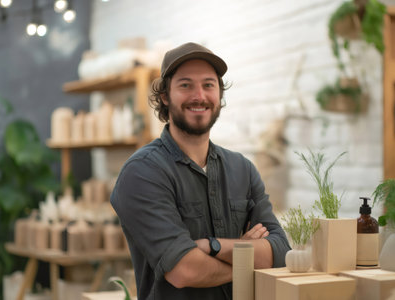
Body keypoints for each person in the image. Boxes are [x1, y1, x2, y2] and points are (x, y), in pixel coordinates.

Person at [110, 42, 291, 300]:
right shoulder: (142, 172)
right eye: (185, 85)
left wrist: (211, 246)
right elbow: (184, 270)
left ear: (219, 94)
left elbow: (282, 253)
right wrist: (247, 254)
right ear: (165, 96)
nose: (199, 96)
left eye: (208, 85)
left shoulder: (243, 169)